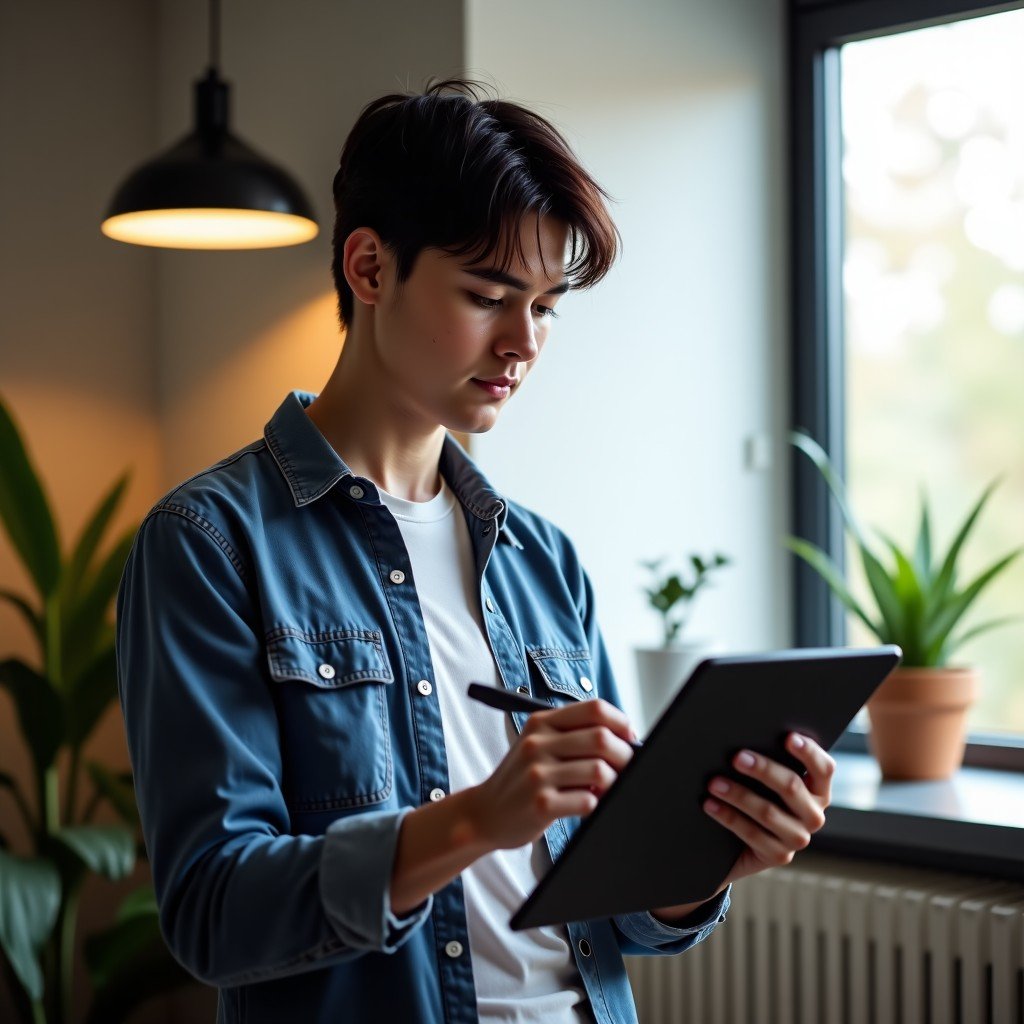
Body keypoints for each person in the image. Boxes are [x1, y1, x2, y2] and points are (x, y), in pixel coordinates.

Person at [115, 76, 834, 1024]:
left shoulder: (544, 560)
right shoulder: (210, 545)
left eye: (544, 307)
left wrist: (701, 867)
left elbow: (619, 916)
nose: (522, 342)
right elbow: (214, 914)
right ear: (369, 270)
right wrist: (472, 821)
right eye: (489, 295)